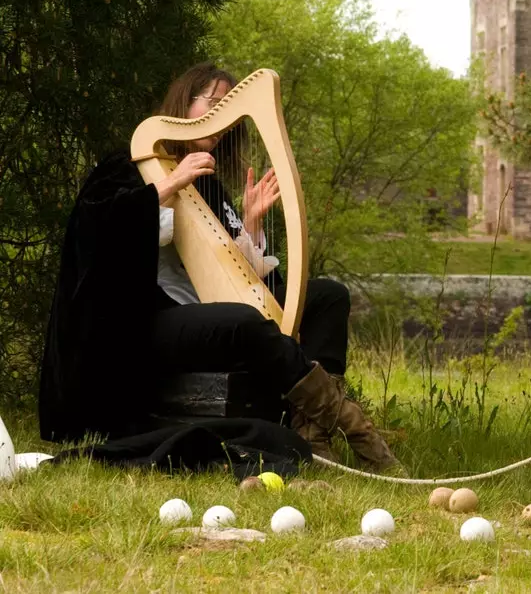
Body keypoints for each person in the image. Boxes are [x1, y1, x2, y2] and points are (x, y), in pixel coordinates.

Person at [38, 63, 398, 471]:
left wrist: (251, 223)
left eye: (228, 108)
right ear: (184, 104)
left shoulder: (206, 180)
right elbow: (97, 235)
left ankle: (313, 436)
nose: (222, 119)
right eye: (214, 103)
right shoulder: (125, 167)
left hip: (203, 312)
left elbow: (236, 270)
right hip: (143, 323)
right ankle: (355, 428)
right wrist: (169, 186)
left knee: (328, 296)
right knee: (242, 320)